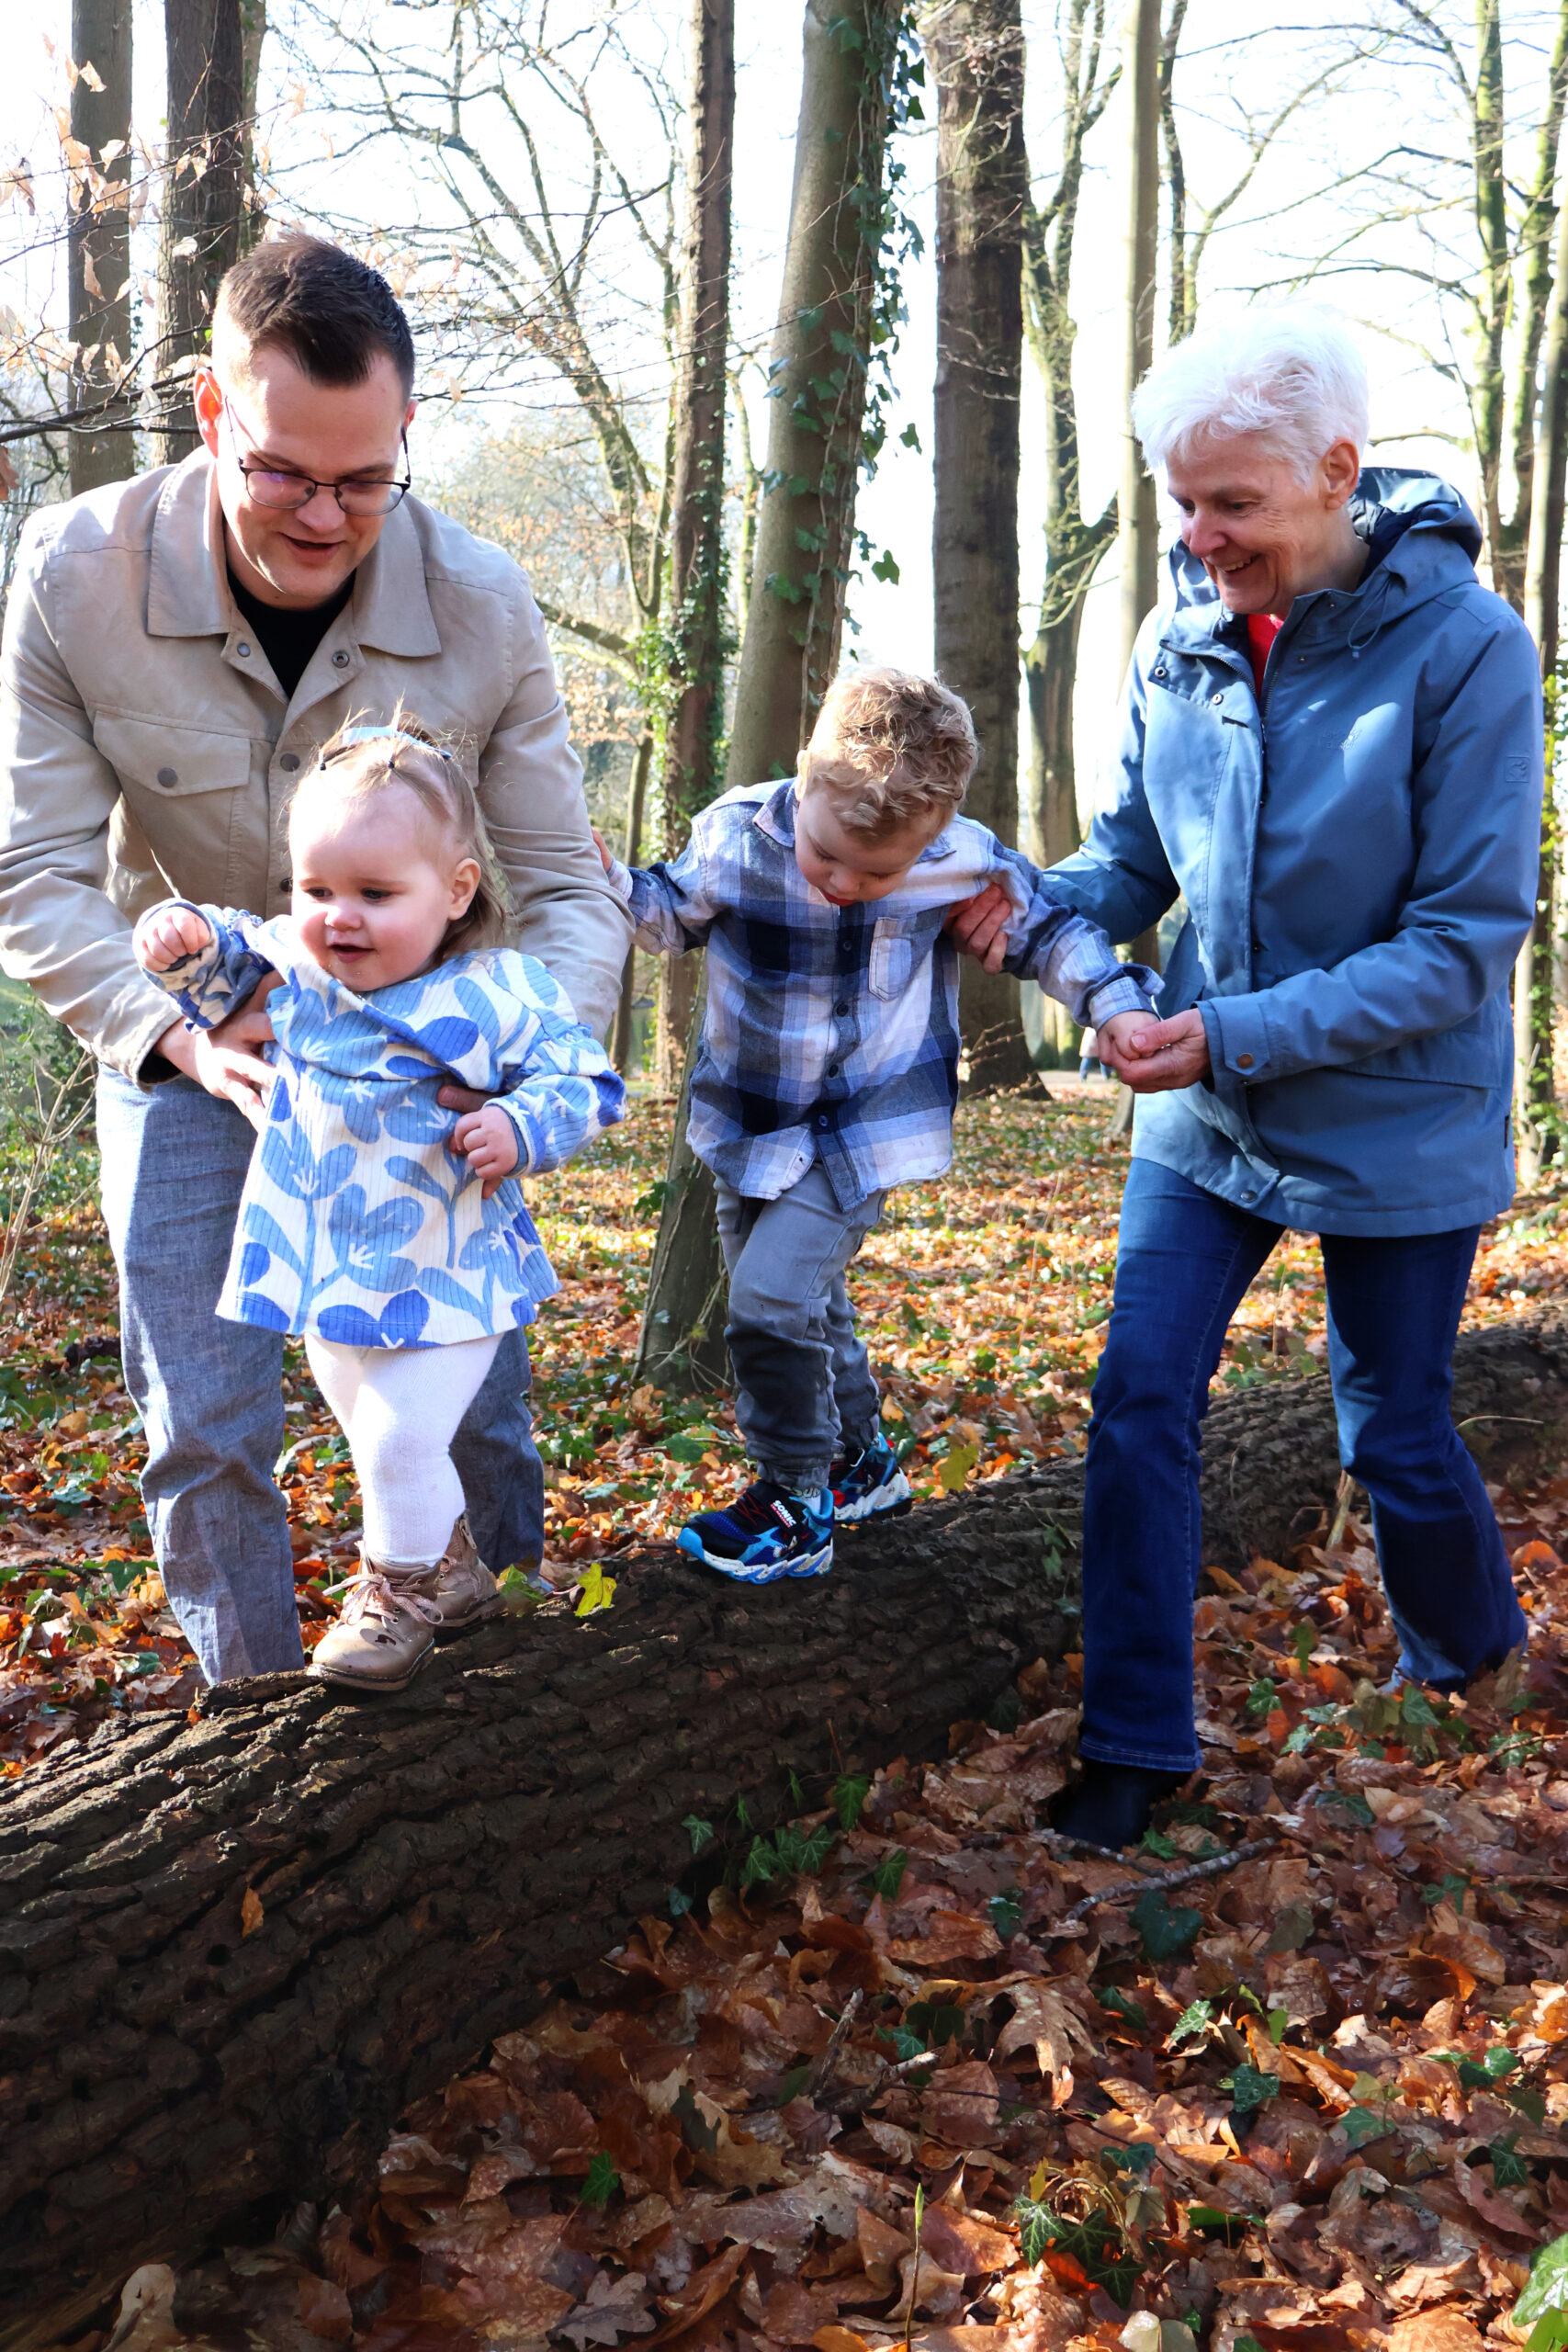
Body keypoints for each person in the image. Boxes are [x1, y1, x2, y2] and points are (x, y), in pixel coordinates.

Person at [0, 234, 630, 1688]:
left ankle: (504, 1702)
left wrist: (527, 1061)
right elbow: (34, 868)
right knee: (202, 1419)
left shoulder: (481, 605)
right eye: (283, 472)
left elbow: (562, 884)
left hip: (424, 1064)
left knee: (467, 1406)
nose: (325, 516)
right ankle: (263, 1730)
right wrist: (170, 1030)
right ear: (212, 412)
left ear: (405, 431)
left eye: (365, 479)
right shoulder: (75, 574)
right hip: (187, 1040)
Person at [950, 306, 1541, 1849]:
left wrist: (1227, 1028)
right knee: (1139, 1395)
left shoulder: (1469, 651)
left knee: (1388, 1424)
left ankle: (1467, 1655)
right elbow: (1132, 858)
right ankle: (1137, 1741)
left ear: (1335, 473)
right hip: (1207, 1118)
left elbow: (1459, 942)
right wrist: (1019, 901)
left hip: (1400, 1113)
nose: (1200, 538)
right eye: (1182, 504)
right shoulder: (1180, 641)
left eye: (1233, 504)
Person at [600, 667, 1157, 1582]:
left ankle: (793, 1497)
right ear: (803, 774)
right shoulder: (736, 836)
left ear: (933, 835)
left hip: (865, 1129)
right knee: (808, 1303)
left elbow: (1055, 933)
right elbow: (664, 914)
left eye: (879, 872)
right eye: (827, 857)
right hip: (751, 1121)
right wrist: (603, 880)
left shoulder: (962, 858)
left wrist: (1116, 1006)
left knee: (769, 1302)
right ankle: (860, 1461)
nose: (846, 883)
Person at [133, 720, 625, 1690]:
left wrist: (519, 1122)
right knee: (371, 1436)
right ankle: (454, 1569)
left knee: (402, 1438)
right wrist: (179, 941)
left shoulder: (495, 991)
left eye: (375, 893)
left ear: (456, 889)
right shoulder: (297, 971)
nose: (339, 918)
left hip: (448, 1265)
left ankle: (394, 1594)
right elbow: (216, 972)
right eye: (316, 889)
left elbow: (584, 1080)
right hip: (323, 1261)